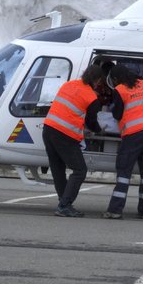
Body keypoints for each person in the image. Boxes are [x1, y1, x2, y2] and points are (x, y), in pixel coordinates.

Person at [42, 64, 106, 217]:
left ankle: (63, 202)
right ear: (97, 81)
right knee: (80, 170)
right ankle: (64, 205)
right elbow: (91, 122)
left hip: (49, 129)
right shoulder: (92, 97)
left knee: (57, 168)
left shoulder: (68, 84)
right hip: (65, 134)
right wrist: (99, 130)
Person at [103, 63, 143, 220]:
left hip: (134, 134)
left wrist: (113, 106)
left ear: (115, 78)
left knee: (124, 171)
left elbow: (118, 115)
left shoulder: (120, 90)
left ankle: (115, 210)